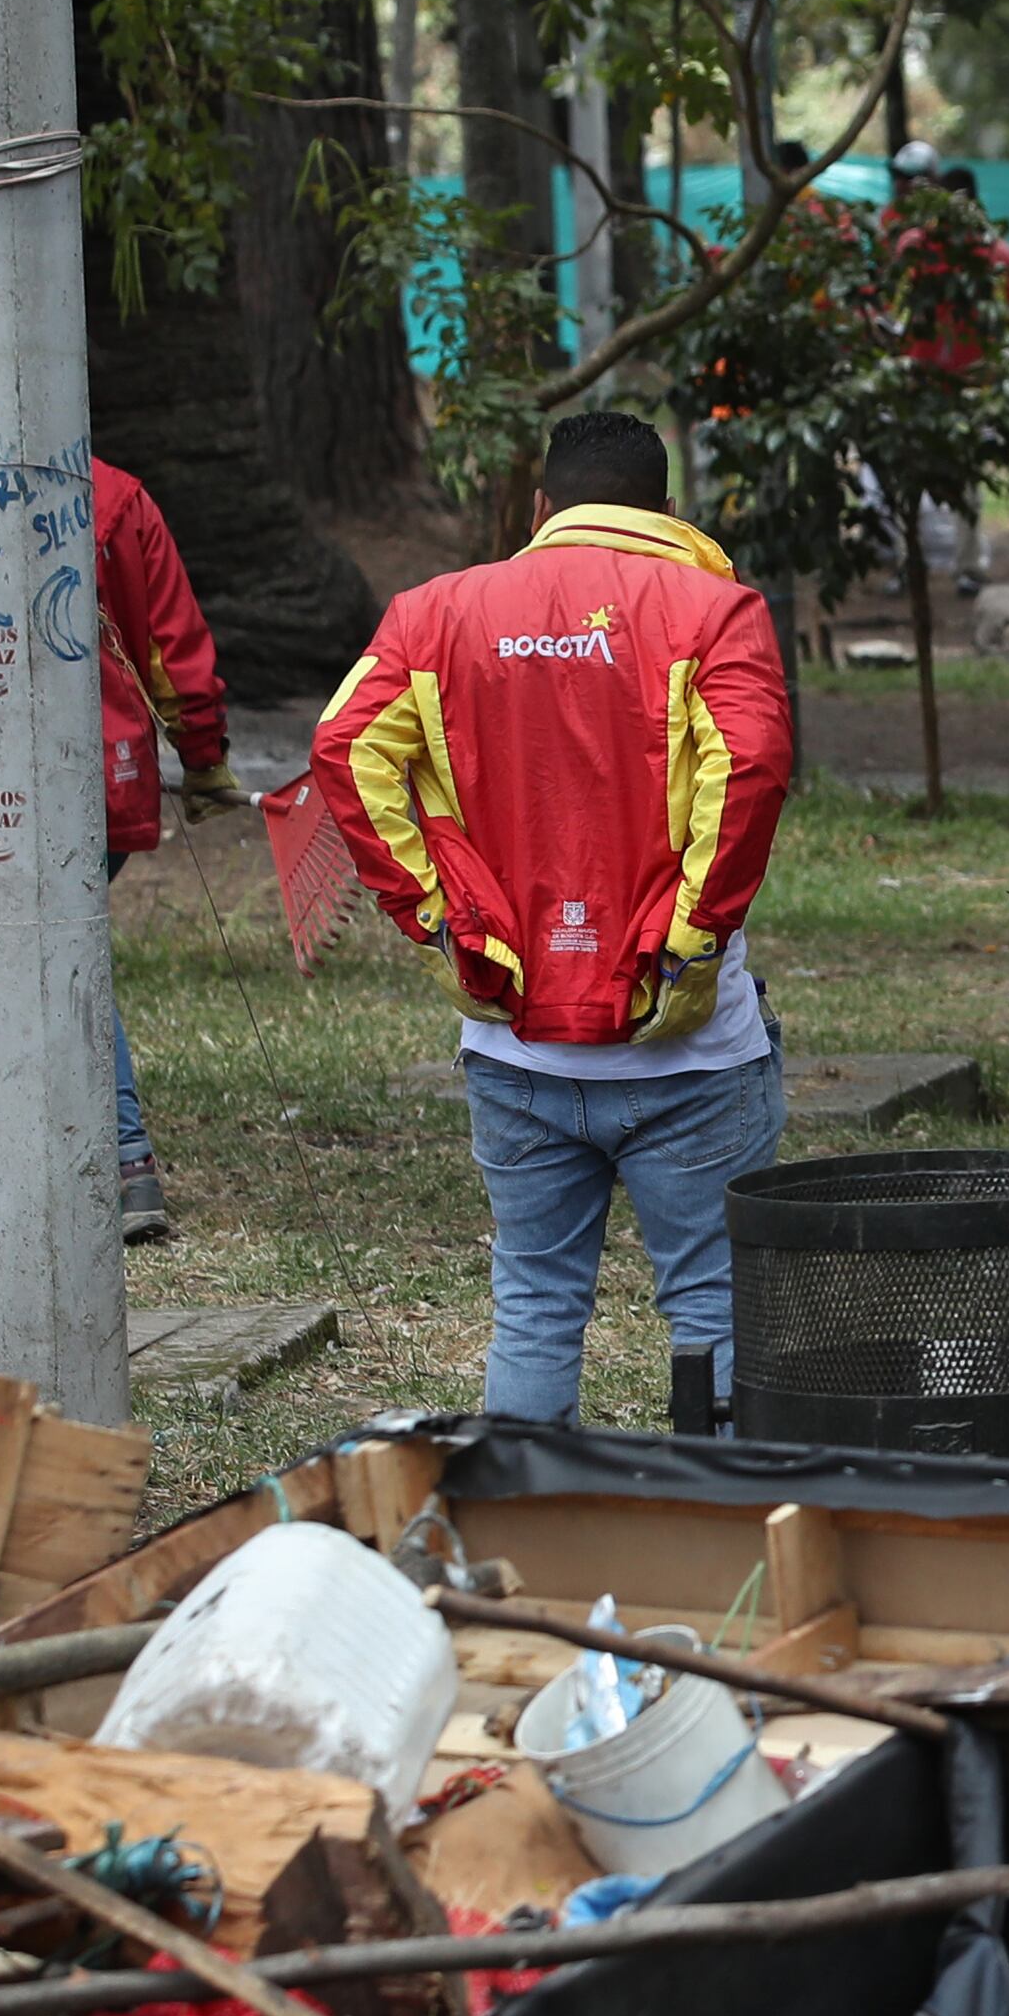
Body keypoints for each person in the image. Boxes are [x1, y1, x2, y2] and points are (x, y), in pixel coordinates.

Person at [315, 410, 795, 1421]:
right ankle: (725, 1516)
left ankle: (529, 1511)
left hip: (514, 1046)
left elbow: (345, 749)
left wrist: (438, 920)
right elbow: (749, 767)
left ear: (540, 507)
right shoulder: (719, 610)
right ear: (667, 511)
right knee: (714, 1307)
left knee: (532, 1306)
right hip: (692, 1053)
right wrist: (687, 948)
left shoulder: (433, 613)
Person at [0, 457, 235, 1245]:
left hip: (3, 786)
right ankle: (59, 1160)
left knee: (53, 957)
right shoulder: (120, 497)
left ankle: (122, 1161)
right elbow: (172, 647)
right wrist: (202, 757)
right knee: (55, 952)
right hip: (103, 775)